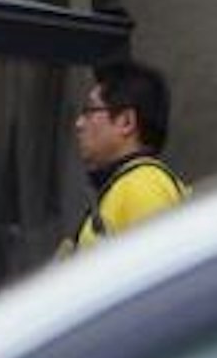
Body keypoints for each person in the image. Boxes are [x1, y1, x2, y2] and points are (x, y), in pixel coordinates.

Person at [66, 59, 188, 250]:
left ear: (126, 122)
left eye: (89, 111)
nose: (79, 124)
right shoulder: (128, 184)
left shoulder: (143, 186)